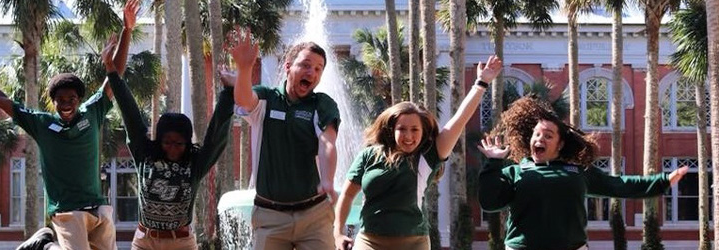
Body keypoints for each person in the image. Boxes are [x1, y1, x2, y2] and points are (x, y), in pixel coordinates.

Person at [0, 1, 139, 249]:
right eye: (60, 101)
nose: (66, 104)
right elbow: (3, 100)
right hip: (68, 212)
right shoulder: (42, 124)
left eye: (71, 99)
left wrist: (127, 30)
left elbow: (115, 77)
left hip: (98, 207)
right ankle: (45, 246)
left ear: (79, 100)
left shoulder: (93, 111)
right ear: (53, 102)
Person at [333, 56, 503, 250]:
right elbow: (346, 196)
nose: (408, 136)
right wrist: (337, 232)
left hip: (414, 242)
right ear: (391, 129)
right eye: (402, 129)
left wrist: (481, 83)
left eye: (415, 130)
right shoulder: (369, 155)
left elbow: (459, 119)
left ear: (423, 133)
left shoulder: (428, 157)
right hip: (370, 240)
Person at [476, 96, 688, 250]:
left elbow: (618, 184)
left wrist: (662, 181)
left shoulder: (577, 173)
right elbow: (490, 202)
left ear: (560, 145)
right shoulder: (516, 171)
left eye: (548, 136)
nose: (540, 139)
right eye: (537, 134)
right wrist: (493, 163)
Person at [102, 31, 235, 250]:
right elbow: (130, 113)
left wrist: (228, 94)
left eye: (179, 143)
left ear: (187, 142)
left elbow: (215, 139)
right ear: (158, 139)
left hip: (181, 242)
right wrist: (112, 72)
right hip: (145, 241)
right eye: (167, 142)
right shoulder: (144, 153)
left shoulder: (195, 162)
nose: (173, 148)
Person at [229, 27, 340, 250]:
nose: (312, 73)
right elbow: (244, 99)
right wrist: (244, 68)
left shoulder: (322, 104)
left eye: (318, 69)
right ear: (288, 67)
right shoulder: (267, 98)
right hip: (270, 215)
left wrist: (327, 179)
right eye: (306, 65)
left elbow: (327, 142)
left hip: (314, 215)